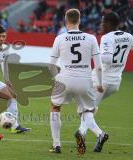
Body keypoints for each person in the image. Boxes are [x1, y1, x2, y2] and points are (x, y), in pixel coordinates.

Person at [48, 9, 107, 155]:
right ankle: (99, 133)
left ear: (66, 21)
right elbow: (98, 66)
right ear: (79, 21)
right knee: (87, 110)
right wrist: (99, 83)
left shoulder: (60, 38)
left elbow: (51, 65)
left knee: (55, 107)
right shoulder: (91, 38)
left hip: (65, 79)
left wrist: (57, 78)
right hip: (85, 80)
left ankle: (56, 145)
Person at [89, 11, 133, 151]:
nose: (101, 25)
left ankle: (99, 134)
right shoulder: (129, 36)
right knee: (89, 108)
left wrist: (96, 55)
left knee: (83, 110)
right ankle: (82, 132)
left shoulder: (107, 38)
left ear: (109, 23)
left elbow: (106, 59)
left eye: (103, 22)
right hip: (115, 83)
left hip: (101, 80)